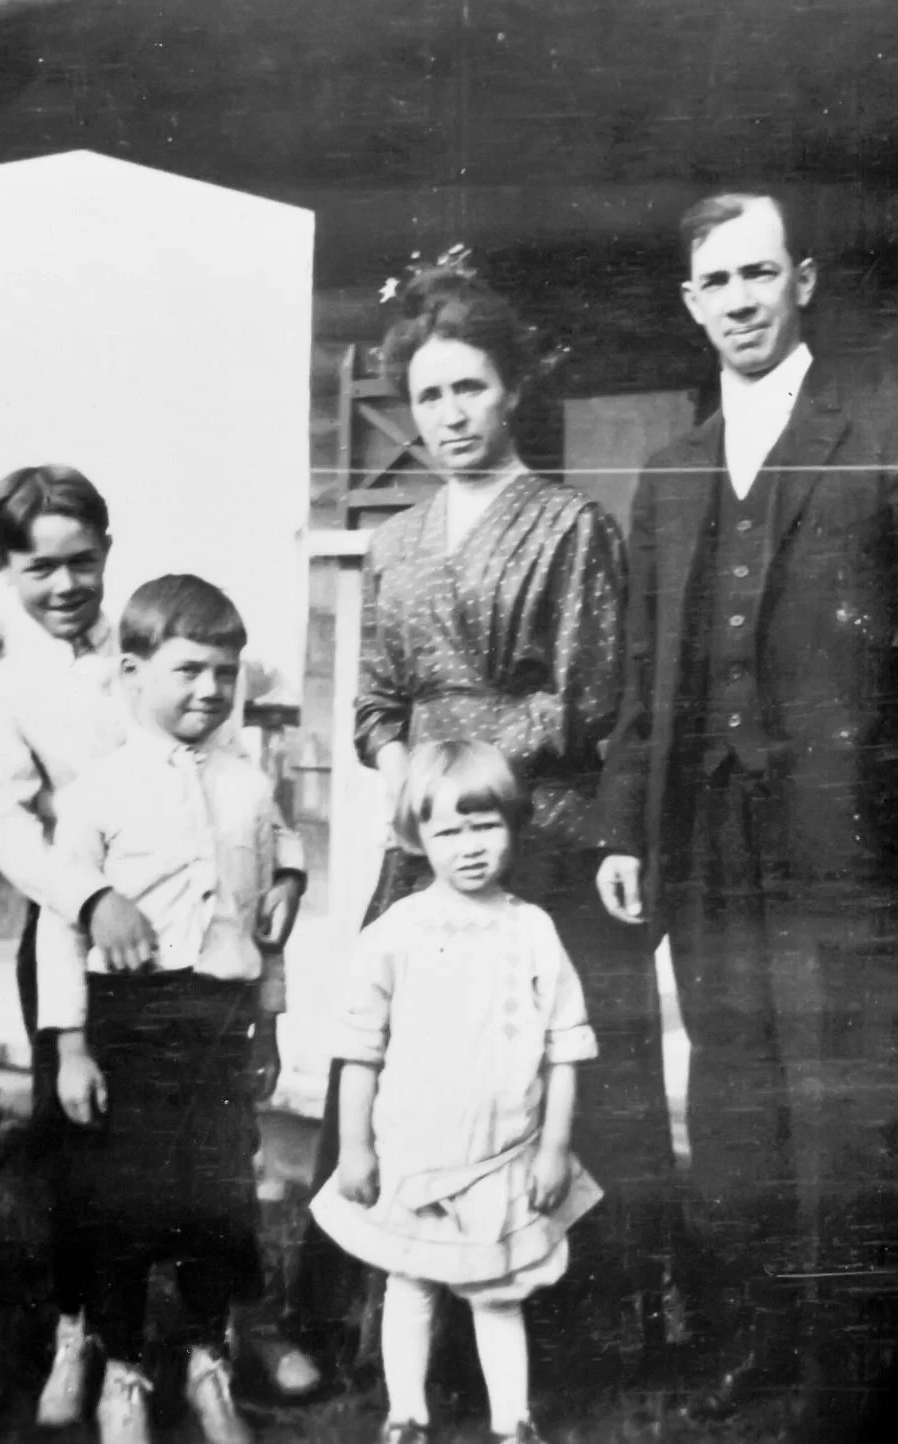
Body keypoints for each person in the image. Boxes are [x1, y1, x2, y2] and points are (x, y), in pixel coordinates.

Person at [294, 265, 672, 1373]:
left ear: (512, 393)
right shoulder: (399, 540)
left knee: (534, 1073)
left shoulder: (571, 527)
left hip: (539, 839)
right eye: (429, 397)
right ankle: (361, 1321)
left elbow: (588, 698)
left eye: (470, 389)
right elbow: (373, 700)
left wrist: (469, 759)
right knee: (402, 1062)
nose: (450, 416)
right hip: (424, 848)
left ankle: (568, 1333)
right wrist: (404, 762)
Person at [595, 191, 898, 1416]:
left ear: (803, 281)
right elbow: (636, 671)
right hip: (703, 834)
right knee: (731, 1088)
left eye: (758, 274)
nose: (738, 301)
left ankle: (852, 1369)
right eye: (715, 282)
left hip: (839, 836)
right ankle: (762, 1337)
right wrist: (625, 824)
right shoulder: (667, 476)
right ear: (689, 302)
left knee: (840, 1092)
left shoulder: (872, 436)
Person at [0, 469, 313, 1426]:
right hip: (87, 948)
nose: (67, 584)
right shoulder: (8, 690)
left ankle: (232, 1327)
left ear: (108, 552)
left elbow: (250, 797)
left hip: (208, 961)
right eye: (40, 568)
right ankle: (84, 1335)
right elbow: (7, 827)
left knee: (215, 1163)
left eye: (83, 561)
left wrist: (286, 869)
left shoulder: (169, 643)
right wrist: (91, 896)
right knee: (91, 1161)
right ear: (4, 570)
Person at [34, 574, 304, 1444]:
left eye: (225, 673)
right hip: (128, 1020)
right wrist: (71, 1045)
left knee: (219, 1198)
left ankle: (207, 1360)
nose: (209, 691)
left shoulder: (249, 787)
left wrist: (271, 1020)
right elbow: (59, 930)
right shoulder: (97, 794)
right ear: (131, 670)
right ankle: (121, 1371)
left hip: (220, 1019)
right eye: (189, 670)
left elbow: (269, 914)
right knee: (124, 1205)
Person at [311, 740, 603, 1444]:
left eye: (487, 826)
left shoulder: (532, 930)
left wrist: (554, 1150)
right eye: (448, 830)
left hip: (503, 1156)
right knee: (409, 1285)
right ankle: (406, 1414)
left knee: (497, 1292)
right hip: (415, 1154)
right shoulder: (396, 934)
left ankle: (513, 1420)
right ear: (416, 835)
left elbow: (565, 1047)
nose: (470, 847)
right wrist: (354, 1149)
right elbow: (358, 1051)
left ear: (512, 825)